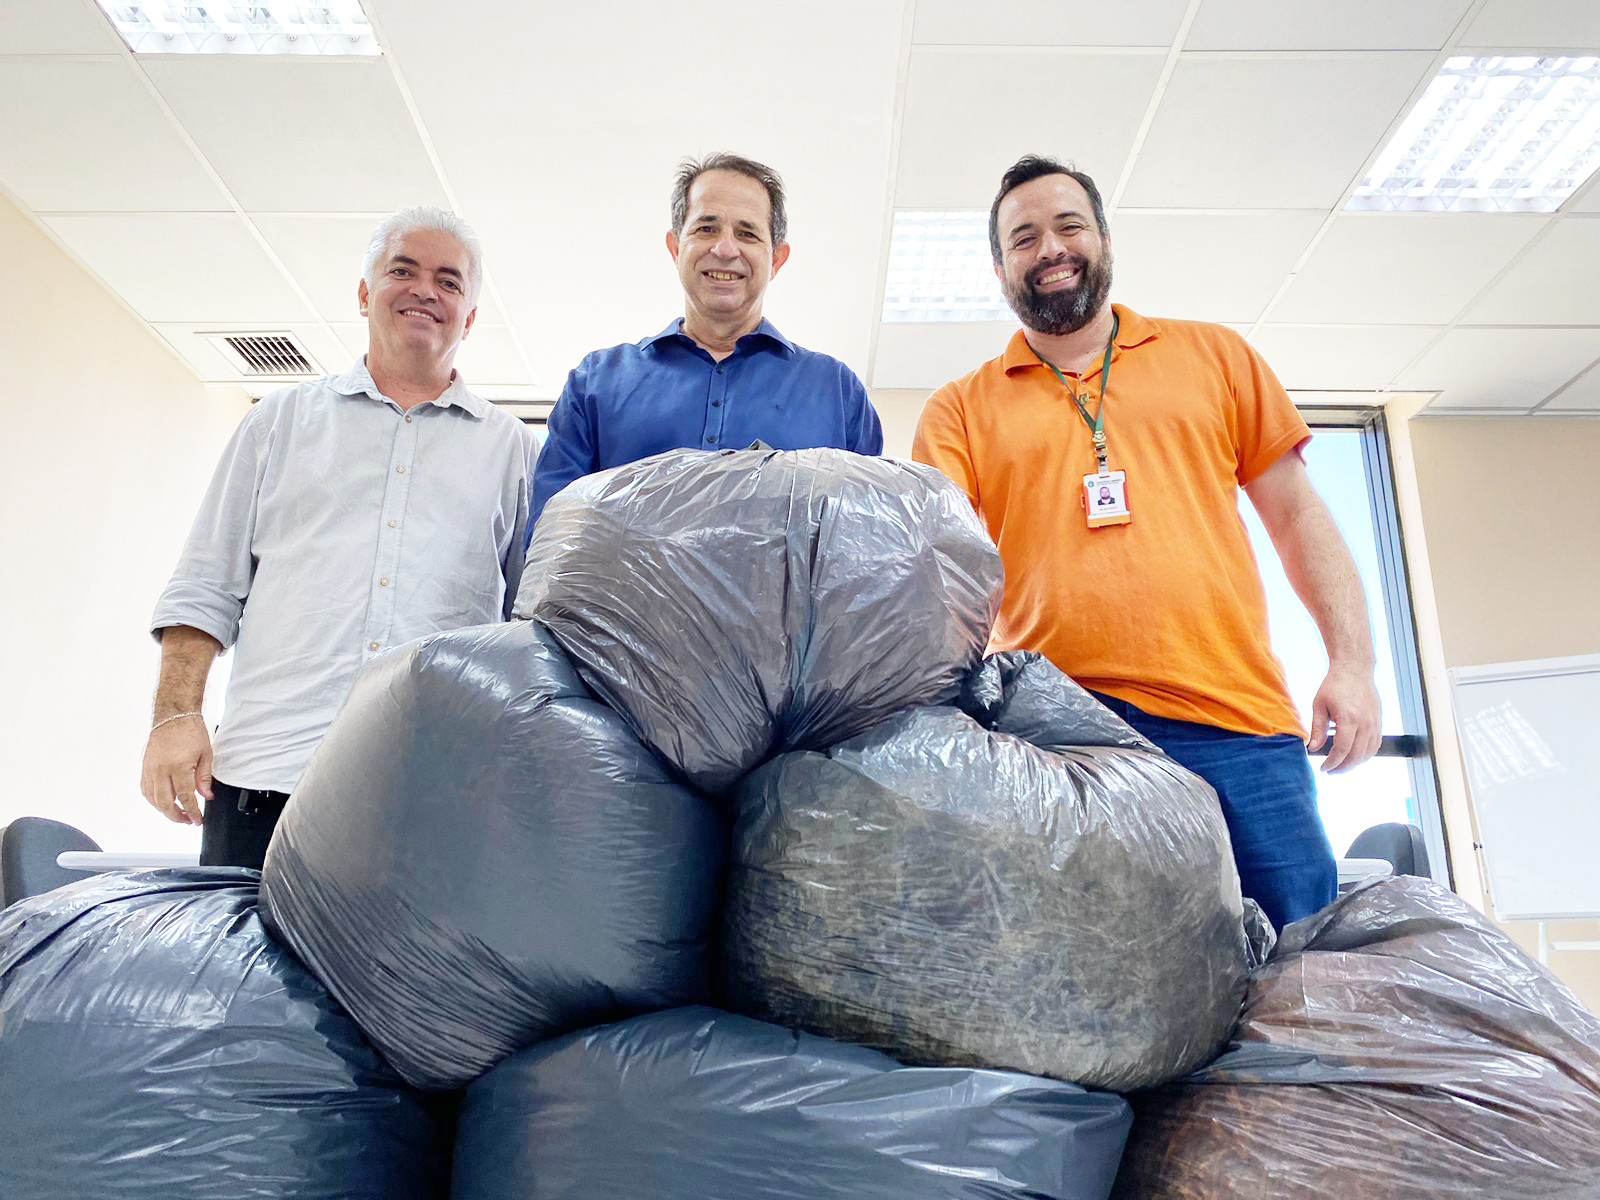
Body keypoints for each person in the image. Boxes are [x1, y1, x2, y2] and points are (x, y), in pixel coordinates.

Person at [912, 155, 1382, 930]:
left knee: (1297, 974)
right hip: (1064, 737)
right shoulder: (960, 409)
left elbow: (1297, 517)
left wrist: (1354, 665)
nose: (1050, 248)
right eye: (1023, 238)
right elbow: (940, 574)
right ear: (1000, 271)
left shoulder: (1215, 358)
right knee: (1083, 972)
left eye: (1069, 226)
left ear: (1103, 239)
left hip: (1238, 724)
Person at [141, 206, 535, 869]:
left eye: (449, 281)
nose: (424, 291)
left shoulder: (516, 453)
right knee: (244, 976)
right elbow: (206, 584)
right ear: (364, 293)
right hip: (264, 784)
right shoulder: (277, 423)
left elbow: (530, 626)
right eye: (402, 270)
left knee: (409, 977)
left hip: (431, 794)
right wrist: (174, 716)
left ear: (469, 316)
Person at [528, 152, 882, 528]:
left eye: (747, 233)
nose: (725, 249)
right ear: (675, 247)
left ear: (777, 259)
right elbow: (550, 541)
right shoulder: (596, 382)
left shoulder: (836, 391)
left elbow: (873, 541)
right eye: (706, 228)